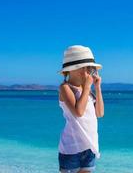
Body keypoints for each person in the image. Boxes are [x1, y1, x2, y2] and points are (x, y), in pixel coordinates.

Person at [57, 45, 104, 173]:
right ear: (78, 69)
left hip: (89, 148)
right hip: (71, 149)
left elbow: (99, 113)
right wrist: (88, 87)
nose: (91, 72)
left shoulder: (87, 91)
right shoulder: (65, 88)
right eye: (89, 68)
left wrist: (97, 87)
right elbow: (78, 112)